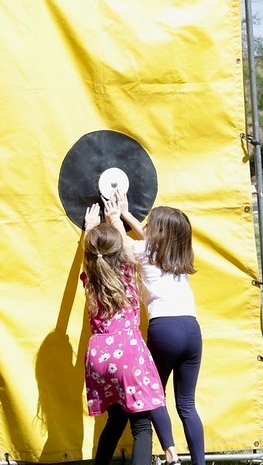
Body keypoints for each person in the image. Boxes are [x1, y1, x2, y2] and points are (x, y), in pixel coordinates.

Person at [81, 198, 176, 465]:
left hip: (98, 355)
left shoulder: (90, 277)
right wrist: (115, 218)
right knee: (142, 426)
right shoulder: (127, 272)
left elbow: (93, 256)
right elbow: (142, 248)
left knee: (115, 419)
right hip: (128, 354)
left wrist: (90, 229)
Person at [116, 191, 205, 465]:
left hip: (164, 329)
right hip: (191, 329)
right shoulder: (177, 256)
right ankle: (199, 462)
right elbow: (146, 240)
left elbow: (121, 243)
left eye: (150, 224)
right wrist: (127, 212)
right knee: (187, 405)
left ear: (160, 232)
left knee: (153, 395)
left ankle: (171, 453)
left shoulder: (144, 252)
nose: (146, 227)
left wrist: (115, 217)